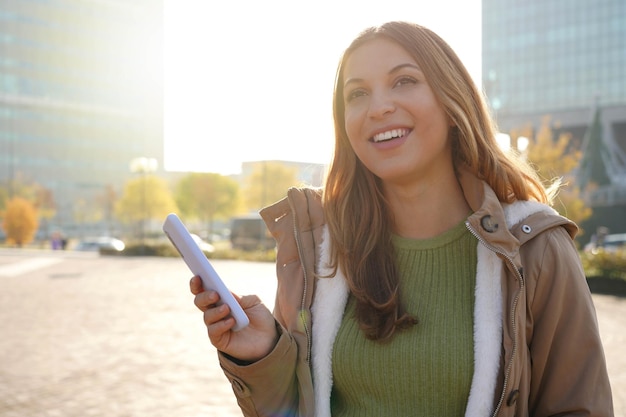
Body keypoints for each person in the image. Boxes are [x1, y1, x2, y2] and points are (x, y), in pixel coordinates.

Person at [190, 21, 614, 416]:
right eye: (357, 94)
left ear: (452, 101)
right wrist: (261, 356)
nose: (378, 107)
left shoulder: (534, 248)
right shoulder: (318, 249)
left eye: (404, 81)